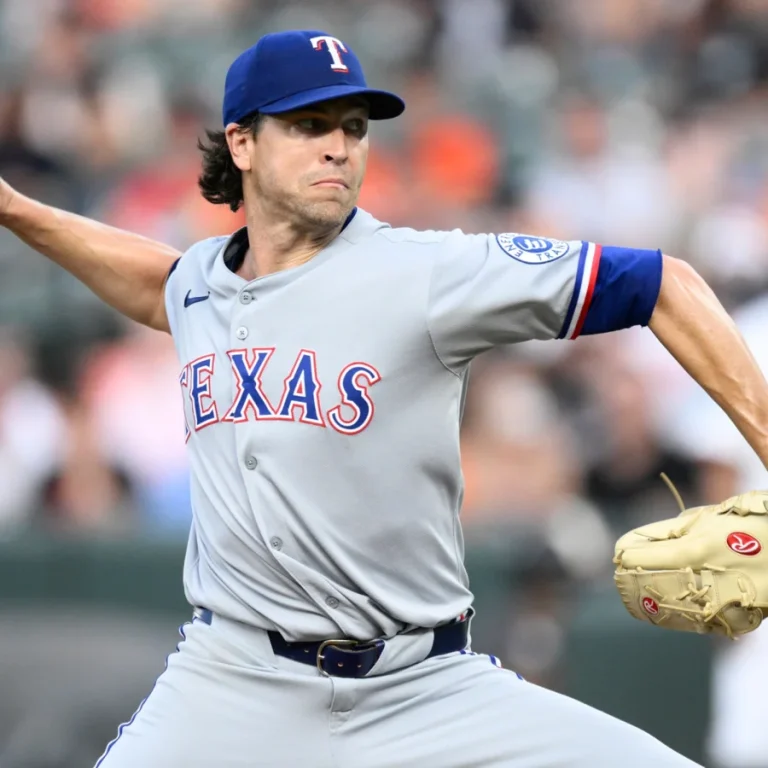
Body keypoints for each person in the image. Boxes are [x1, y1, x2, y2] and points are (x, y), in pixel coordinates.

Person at [1, 28, 766, 768]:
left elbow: (664, 284)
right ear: (242, 144)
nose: (339, 144)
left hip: (423, 686)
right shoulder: (202, 282)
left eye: (354, 126)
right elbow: (156, 283)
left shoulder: (428, 273)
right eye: (309, 124)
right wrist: (17, 209)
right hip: (230, 683)